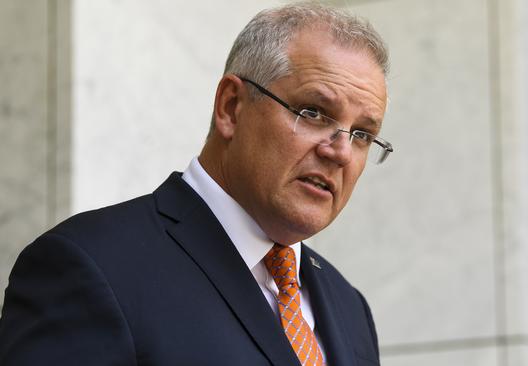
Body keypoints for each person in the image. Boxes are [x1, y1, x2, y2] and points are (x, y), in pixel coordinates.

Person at [0, 3, 393, 365]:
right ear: (231, 107)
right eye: (313, 113)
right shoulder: (91, 267)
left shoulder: (348, 306)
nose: (340, 152)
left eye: (361, 134)